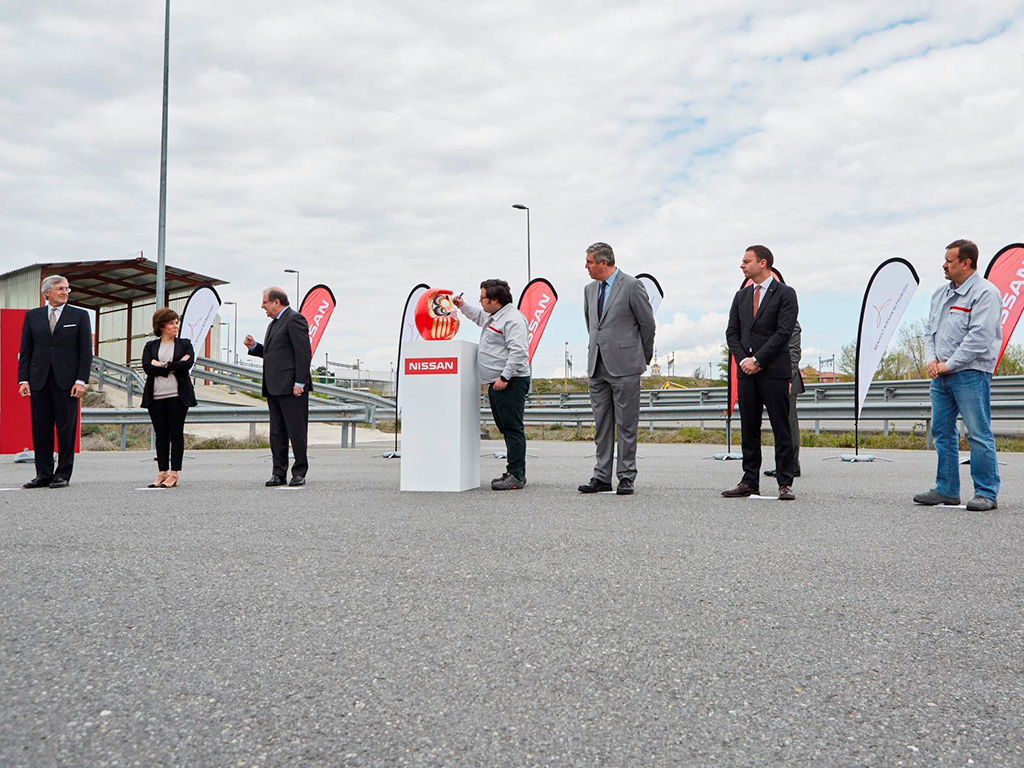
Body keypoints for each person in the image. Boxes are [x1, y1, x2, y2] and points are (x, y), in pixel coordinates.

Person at [913, 239, 1002, 511]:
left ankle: (986, 492)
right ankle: (947, 488)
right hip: (941, 375)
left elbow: (979, 338)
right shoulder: (940, 294)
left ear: (966, 263)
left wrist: (949, 364)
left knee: (978, 432)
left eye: (949, 261)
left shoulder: (985, 293)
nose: (944, 265)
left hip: (970, 373)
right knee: (942, 431)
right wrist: (931, 360)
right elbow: (930, 331)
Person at [577, 242, 656, 496]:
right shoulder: (589, 290)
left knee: (626, 424)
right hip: (597, 366)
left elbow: (647, 325)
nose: (586, 267)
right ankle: (601, 476)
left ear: (603, 262)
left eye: (589, 262)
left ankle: (626, 475)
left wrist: (642, 358)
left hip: (626, 366)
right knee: (601, 425)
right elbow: (592, 326)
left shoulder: (632, 286)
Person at [723, 245, 798, 500]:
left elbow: (783, 332)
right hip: (746, 373)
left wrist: (758, 359)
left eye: (746, 261)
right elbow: (731, 333)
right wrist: (744, 359)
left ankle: (785, 482)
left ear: (762, 263)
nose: (742, 266)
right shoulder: (740, 296)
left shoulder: (785, 294)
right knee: (749, 428)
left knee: (781, 426)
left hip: (773, 371)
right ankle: (749, 480)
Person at [453, 279, 531, 490]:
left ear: (495, 300)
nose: (480, 301)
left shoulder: (512, 320)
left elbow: (519, 352)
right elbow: (478, 316)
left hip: (509, 382)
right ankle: (516, 472)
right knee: (506, 428)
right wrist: (463, 307)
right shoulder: (494, 315)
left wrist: (504, 378)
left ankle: (515, 475)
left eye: (482, 298)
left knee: (512, 429)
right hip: (499, 382)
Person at [17, 275, 92, 489]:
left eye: (67, 289)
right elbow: (27, 350)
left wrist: (81, 380)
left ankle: (63, 474)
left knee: (65, 430)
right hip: (39, 380)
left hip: (67, 382)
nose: (65, 292)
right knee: (41, 429)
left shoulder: (79, 315)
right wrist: (23, 379)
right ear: (47, 292)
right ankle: (43, 474)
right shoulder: (33, 316)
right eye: (60, 289)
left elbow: (85, 351)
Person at [244, 287, 313, 487]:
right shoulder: (273, 324)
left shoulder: (294, 319)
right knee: (277, 432)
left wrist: (300, 382)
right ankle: (278, 473)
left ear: (276, 302)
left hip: (292, 387)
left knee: (296, 431)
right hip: (274, 386)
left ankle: (299, 472)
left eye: (264, 302)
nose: (262, 306)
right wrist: (255, 348)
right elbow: (275, 354)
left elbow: (303, 353)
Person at [141, 308, 197, 488]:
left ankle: (174, 473)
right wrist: (173, 365)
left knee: (176, 434)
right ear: (162, 325)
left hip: (177, 396)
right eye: (172, 323)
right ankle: (161, 472)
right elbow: (148, 368)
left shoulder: (185, 344)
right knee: (161, 436)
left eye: (177, 323)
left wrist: (162, 365)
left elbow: (187, 364)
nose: (175, 326)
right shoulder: (151, 346)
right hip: (155, 396)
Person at [765, 319, 804, 479]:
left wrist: (788, 378)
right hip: (770, 377)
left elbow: (794, 352)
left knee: (788, 423)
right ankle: (783, 464)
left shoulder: (790, 322)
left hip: (786, 379)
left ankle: (792, 465)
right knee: (780, 424)